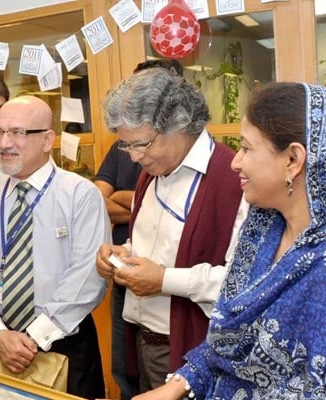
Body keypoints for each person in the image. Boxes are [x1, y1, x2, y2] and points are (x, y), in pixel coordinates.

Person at [136, 82, 326, 399]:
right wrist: (177, 385)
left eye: (247, 148)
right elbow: (227, 341)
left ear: (293, 159)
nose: (235, 162)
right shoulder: (263, 228)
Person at [96, 68, 248, 391]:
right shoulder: (151, 173)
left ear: (179, 123)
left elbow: (240, 284)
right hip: (140, 344)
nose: (135, 157)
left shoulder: (232, 180)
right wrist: (123, 255)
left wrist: (163, 280)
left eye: (142, 144)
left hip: (190, 354)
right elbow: (150, 245)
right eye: (126, 146)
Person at [0, 95, 111, 399]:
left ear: (47, 140)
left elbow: (88, 277)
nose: (3, 143)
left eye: (17, 133)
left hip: (65, 342)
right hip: (0, 346)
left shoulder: (80, 195)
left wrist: (33, 337)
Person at [95, 58, 181, 400]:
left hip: (169, 308)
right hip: (128, 283)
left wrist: (125, 201)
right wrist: (124, 248)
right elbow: (101, 198)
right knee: (126, 370)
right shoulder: (126, 146)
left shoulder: (198, 167)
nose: (134, 156)